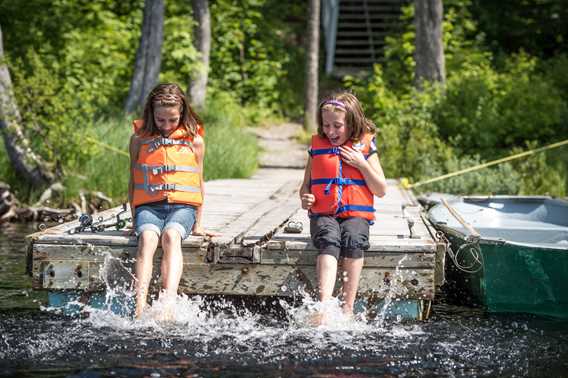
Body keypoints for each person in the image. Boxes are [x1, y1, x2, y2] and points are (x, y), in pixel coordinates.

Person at [299, 91, 387, 324]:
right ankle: (324, 306)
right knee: (329, 239)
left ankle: (348, 307)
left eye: (337, 126)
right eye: (326, 125)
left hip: (355, 214)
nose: (330, 131)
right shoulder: (317, 146)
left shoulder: (364, 148)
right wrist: (305, 197)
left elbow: (381, 189)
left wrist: (361, 164)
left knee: (353, 239)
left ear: (352, 123)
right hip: (324, 213)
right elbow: (305, 186)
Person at [128, 83, 210, 319]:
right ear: (151, 114)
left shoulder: (195, 141)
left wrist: (199, 224)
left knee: (171, 237)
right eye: (160, 120)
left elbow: (198, 180)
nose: (166, 126)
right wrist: (134, 219)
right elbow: (132, 181)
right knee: (146, 238)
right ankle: (139, 307)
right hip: (149, 207)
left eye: (172, 120)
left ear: (182, 113)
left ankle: (167, 305)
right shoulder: (138, 140)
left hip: (182, 207)